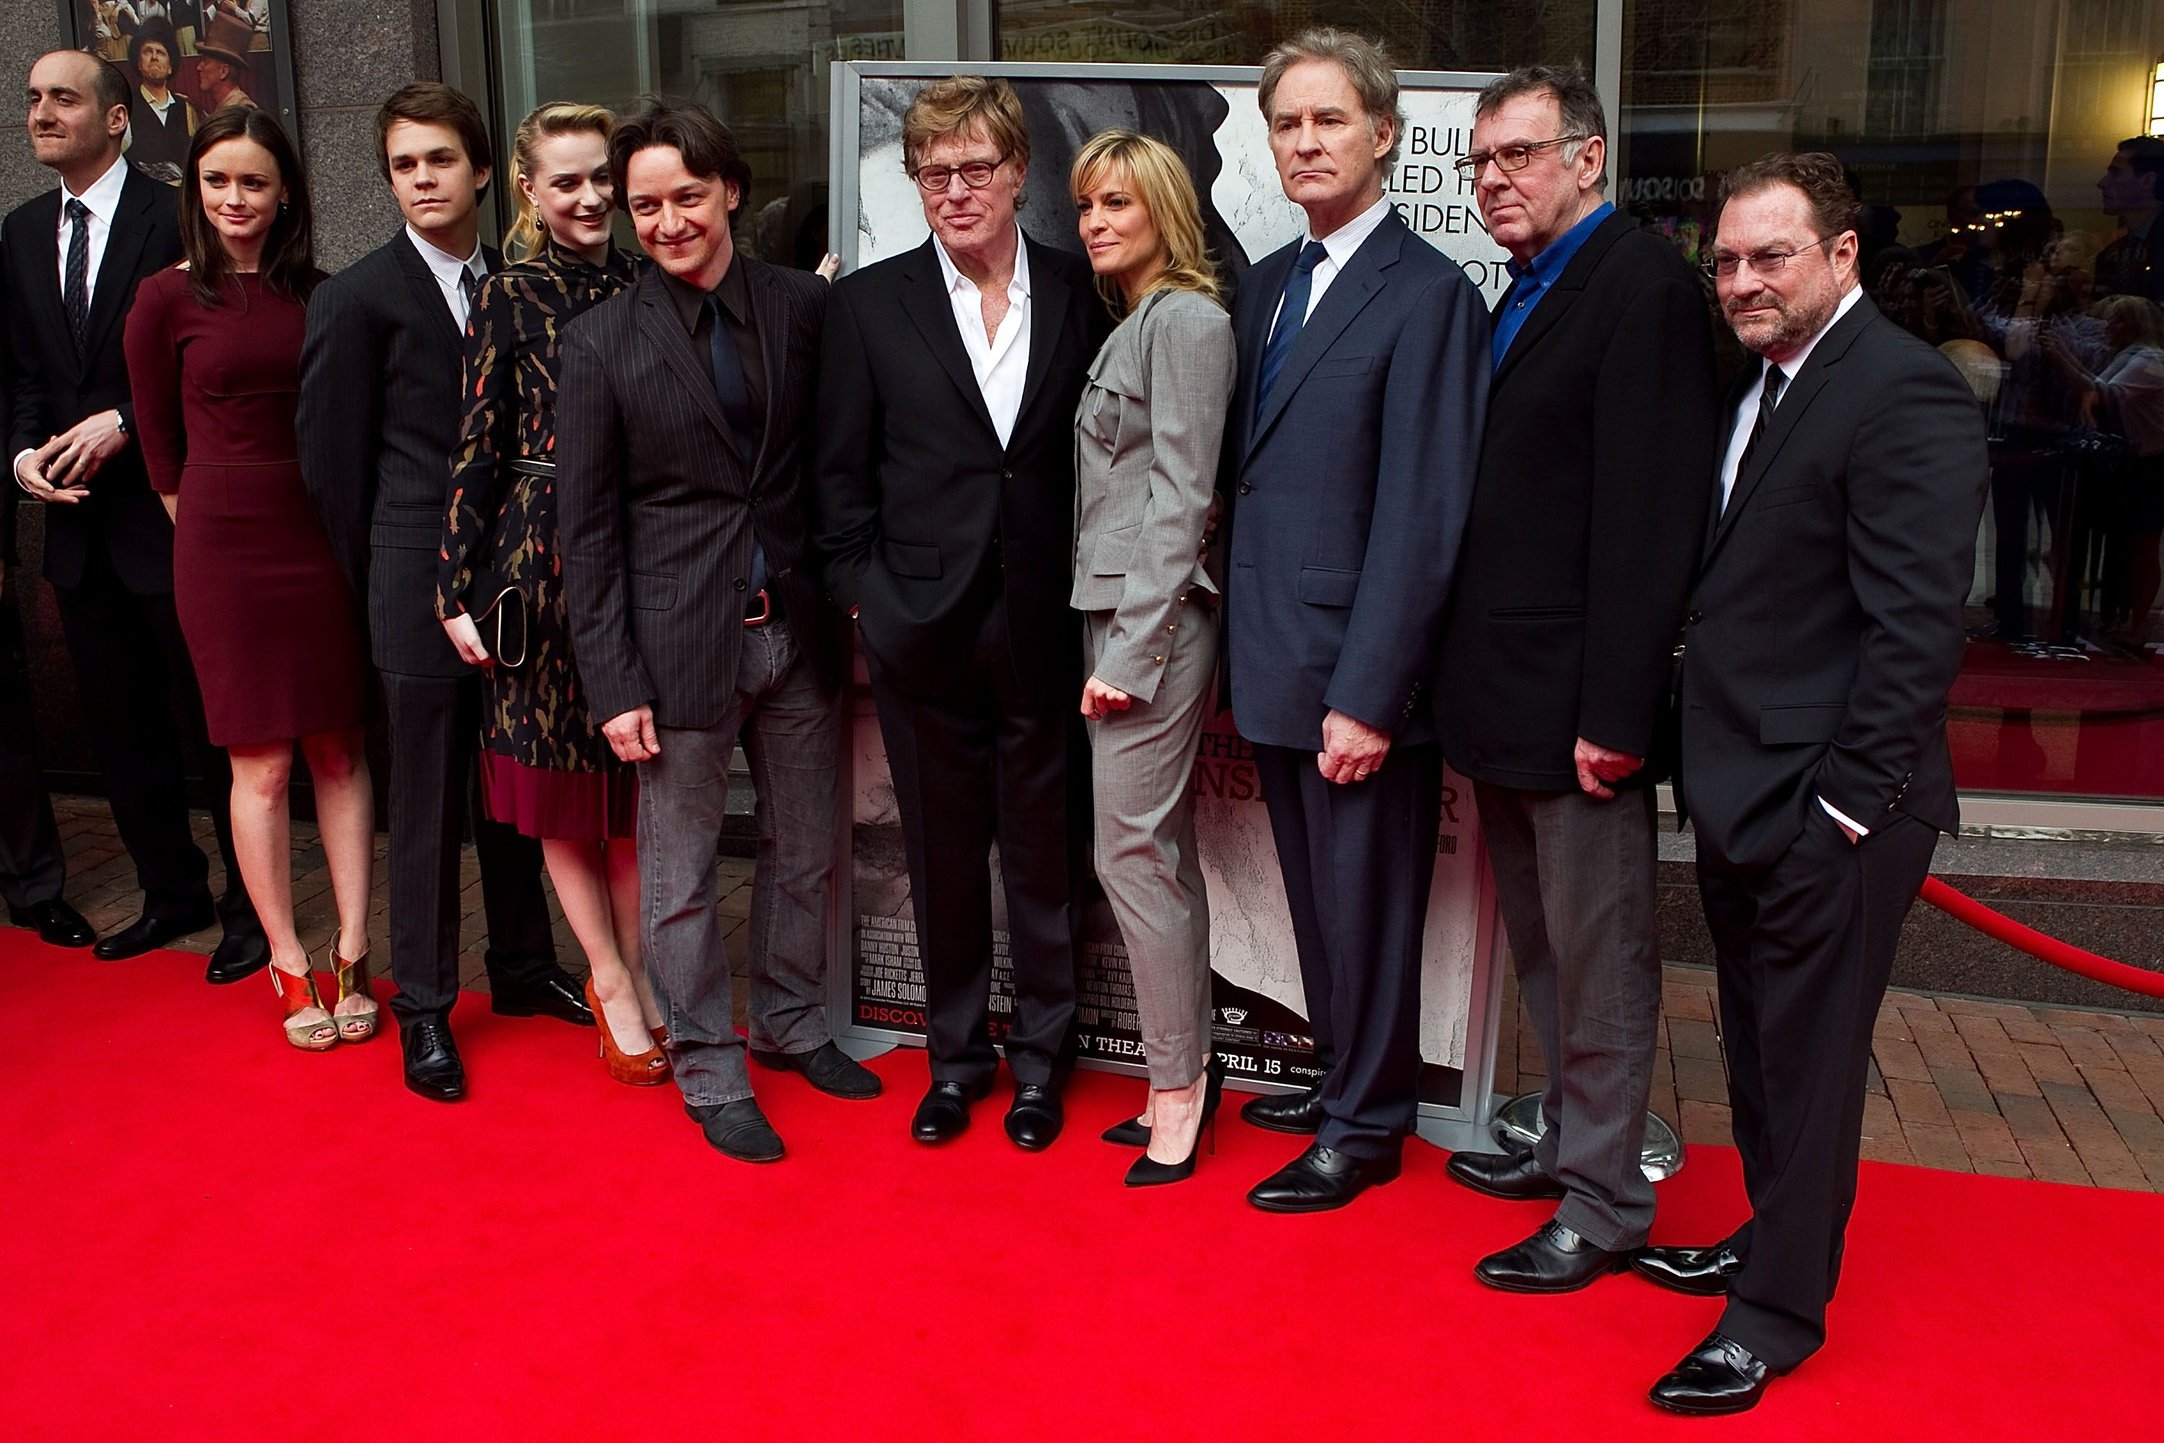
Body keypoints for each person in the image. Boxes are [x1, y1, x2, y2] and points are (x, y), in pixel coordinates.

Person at [1635, 153, 1988, 1416]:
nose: (1741, 280)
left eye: (1769, 255)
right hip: (1744, 791)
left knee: (1812, 1060)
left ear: (1840, 255)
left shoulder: (1901, 395)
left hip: (1830, 810)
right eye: (1725, 259)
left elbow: (1914, 631)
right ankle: (1766, 1240)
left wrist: (1843, 805)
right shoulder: (1765, 383)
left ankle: (1777, 1314)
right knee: (1761, 1052)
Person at [1433, 66, 1717, 1286]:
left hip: (1578, 711)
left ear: (1589, 160)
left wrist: (1616, 715)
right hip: (1503, 695)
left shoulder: (1640, 286)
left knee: (1600, 958)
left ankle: (1603, 1204)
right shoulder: (1525, 287)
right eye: (1480, 161)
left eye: (1520, 155)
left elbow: (1652, 522)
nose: (1494, 179)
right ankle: (1563, 1140)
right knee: (1547, 947)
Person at [559, 95, 874, 1162]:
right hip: (673, 646)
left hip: (798, 630)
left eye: (686, 197)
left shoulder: (802, 309)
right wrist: (612, 682)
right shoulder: (599, 342)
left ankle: (788, 1026)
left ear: (731, 190)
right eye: (644, 205)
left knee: (805, 854)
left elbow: (839, 465)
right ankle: (706, 1060)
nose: (666, 222)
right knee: (682, 873)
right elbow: (587, 529)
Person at [1220, 29, 1488, 1213]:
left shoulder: (1429, 294)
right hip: (1271, 652)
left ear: (1384, 133)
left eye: (1330, 120)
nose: (1307, 142)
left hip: (1351, 673)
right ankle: (1342, 1078)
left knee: (1367, 904)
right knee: (1312, 895)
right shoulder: (1270, 282)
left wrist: (1369, 690)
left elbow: (1426, 509)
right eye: (1288, 124)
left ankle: (1368, 1125)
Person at [815, 75, 1108, 1151]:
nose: (955, 190)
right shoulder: (868, 306)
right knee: (940, 857)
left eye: (975, 168)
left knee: (1045, 856)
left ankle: (1042, 1065)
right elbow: (837, 482)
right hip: (920, 633)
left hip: (1045, 627)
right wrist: (870, 605)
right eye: (933, 173)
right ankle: (955, 1061)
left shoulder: (1085, 295)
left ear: (1018, 173)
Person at [300, 82, 585, 1103]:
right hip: (411, 586)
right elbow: (332, 472)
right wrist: (394, 581)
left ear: (480, 174)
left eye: (437, 160)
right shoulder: (356, 298)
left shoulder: (522, 281)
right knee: (423, 805)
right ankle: (423, 1003)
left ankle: (521, 966)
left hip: (516, 585)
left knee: (510, 787)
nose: (420, 179)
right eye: (402, 165)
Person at [4, 48, 265, 977]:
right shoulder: (23, 230)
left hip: (174, 518)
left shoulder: (177, 216)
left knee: (214, 726)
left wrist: (123, 419)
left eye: (62, 98)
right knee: (122, 731)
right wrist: (24, 454)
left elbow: (209, 351)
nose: (41, 112)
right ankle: (172, 894)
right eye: (32, 98)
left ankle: (252, 914)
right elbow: (28, 372)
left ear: (117, 118)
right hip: (76, 532)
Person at [123, 108, 375, 1051]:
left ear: (284, 195)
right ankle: (285, 954)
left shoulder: (325, 294)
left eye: (255, 182)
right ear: (196, 189)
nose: (236, 199)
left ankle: (353, 945)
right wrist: (212, 537)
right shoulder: (163, 298)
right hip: (222, 544)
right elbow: (160, 451)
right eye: (218, 180)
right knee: (260, 764)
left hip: (319, 535)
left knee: (341, 748)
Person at [436, 102, 661, 1083]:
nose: (588, 197)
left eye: (599, 176)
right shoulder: (509, 295)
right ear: (527, 189)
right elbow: (475, 446)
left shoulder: (648, 276)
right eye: (564, 181)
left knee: (634, 788)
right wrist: (453, 587)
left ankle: (646, 976)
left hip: (642, 554)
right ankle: (609, 979)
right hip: (536, 564)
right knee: (564, 794)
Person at [1067, 129, 1235, 1186]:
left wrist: (1132, 646)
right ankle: (1187, 1069)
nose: (1094, 222)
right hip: (1120, 613)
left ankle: (1177, 1085)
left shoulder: (1185, 321)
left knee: (1129, 854)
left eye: (1117, 204)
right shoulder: (1138, 321)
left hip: (1152, 626)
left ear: (1163, 212)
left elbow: (1184, 497)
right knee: (1152, 851)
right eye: (1086, 204)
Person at [125, 19, 198, 185]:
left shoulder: (186, 109)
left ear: (170, 66)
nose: (154, 57)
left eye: (161, 52)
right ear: (138, 62)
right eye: (148, 51)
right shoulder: (126, 108)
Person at [2094, 137, 2162, 304]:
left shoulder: (2118, 252)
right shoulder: (2112, 253)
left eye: (2116, 173)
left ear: (2147, 180)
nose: (2102, 183)